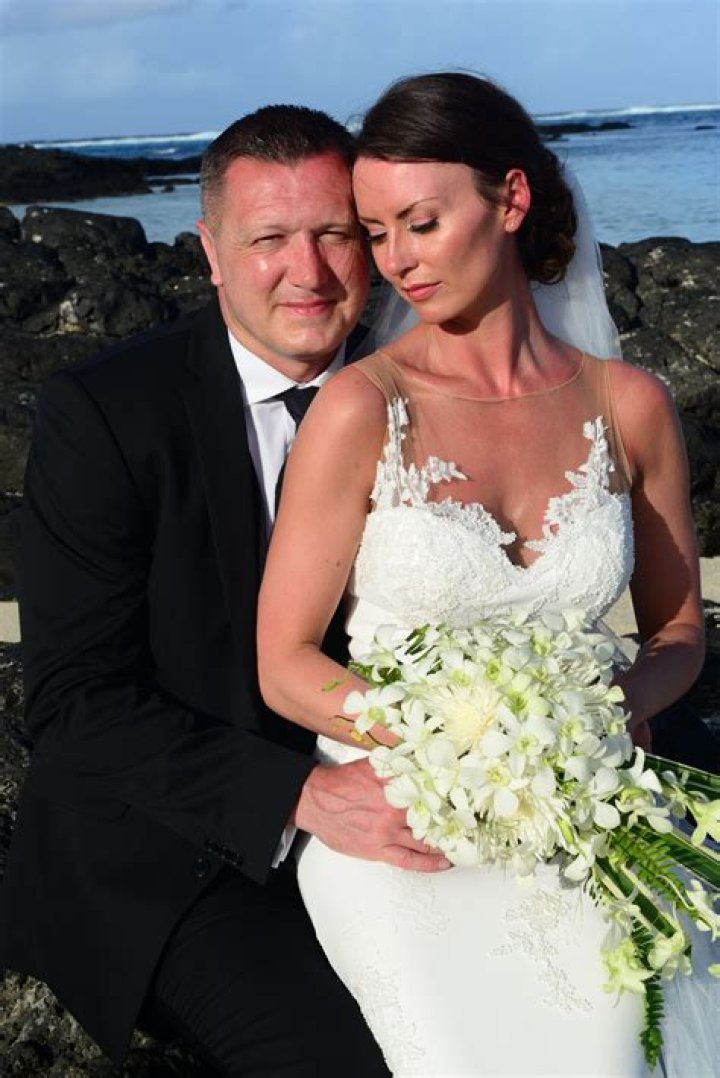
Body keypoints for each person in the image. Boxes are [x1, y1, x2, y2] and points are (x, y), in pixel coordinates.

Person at [257, 74, 715, 1075]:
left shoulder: (629, 406)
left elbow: (680, 632)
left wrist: (604, 711)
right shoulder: (362, 408)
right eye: (377, 233)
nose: (398, 260)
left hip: (582, 806)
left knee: (621, 1040)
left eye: (421, 223)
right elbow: (284, 660)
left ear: (510, 200)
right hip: (400, 824)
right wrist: (451, 744)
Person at [0, 104, 448, 1075]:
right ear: (210, 252)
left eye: (334, 233)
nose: (308, 271)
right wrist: (301, 796)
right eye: (269, 239)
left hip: (412, 815)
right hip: (179, 853)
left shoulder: (432, 391)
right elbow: (76, 702)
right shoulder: (106, 414)